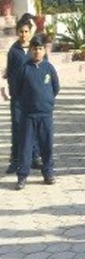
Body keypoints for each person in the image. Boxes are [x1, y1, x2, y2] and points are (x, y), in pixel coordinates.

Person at [15, 34, 60, 190]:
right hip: (28, 115)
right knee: (26, 147)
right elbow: (17, 90)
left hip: (45, 114)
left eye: (40, 48)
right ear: (30, 50)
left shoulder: (49, 68)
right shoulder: (24, 68)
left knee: (46, 145)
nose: (37, 52)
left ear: (44, 50)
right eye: (34, 49)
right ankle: (22, 176)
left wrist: (46, 102)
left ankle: (48, 173)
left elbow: (55, 87)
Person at [2, 14, 37, 175]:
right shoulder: (14, 51)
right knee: (17, 128)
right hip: (18, 98)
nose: (23, 35)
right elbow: (9, 73)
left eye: (26, 31)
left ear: (30, 32)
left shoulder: (36, 50)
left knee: (34, 127)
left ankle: (34, 157)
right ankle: (15, 160)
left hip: (34, 98)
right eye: (21, 32)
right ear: (17, 33)